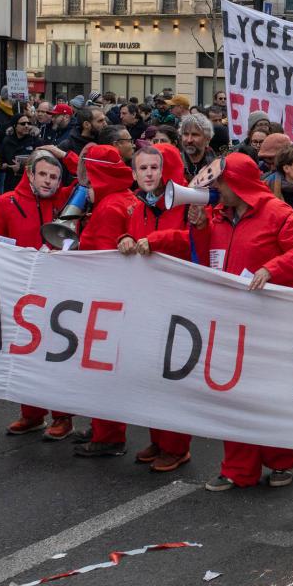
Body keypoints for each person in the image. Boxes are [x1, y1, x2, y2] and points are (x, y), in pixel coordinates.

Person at [133, 153, 293, 487]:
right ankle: (238, 468)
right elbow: (205, 256)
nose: (215, 188)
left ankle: (280, 460)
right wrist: (199, 229)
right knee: (233, 397)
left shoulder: (278, 214)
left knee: (270, 397)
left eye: (220, 181)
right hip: (230, 320)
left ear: (238, 183)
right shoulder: (217, 216)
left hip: (271, 321)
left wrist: (271, 269)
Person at [0, 148, 78, 441]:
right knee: (23, 353)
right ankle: (32, 414)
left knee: (57, 355)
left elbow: (88, 175)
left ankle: (63, 417)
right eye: (42, 174)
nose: (48, 181)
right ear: (30, 175)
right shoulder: (6, 202)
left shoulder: (67, 200)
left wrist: (64, 154)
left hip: (59, 290)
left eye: (54, 176)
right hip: (21, 290)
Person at [117, 144, 194, 472]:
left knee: (172, 376)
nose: (148, 174)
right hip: (148, 298)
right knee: (150, 374)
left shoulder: (187, 202)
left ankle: (176, 446)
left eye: (154, 167)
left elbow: (195, 240)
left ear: (166, 170)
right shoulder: (139, 205)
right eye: (143, 168)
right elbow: (135, 235)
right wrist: (124, 237)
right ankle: (159, 438)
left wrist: (158, 241)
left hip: (178, 298)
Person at [71, 145, 140, 458]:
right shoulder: (124, 198)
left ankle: (108, 435)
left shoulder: (110, 207)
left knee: (101, 370)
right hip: (118, 299)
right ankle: (102, 426)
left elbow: (101, 260)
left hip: (104, 301)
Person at [0, 114, 41, 193]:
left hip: (29, 183)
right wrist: (3, 165)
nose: (26, 126)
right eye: (23, 124)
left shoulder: (34, 140)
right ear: (15, 126)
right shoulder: (7, 141)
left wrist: (20, 168)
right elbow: (1, 159)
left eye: (28, 123)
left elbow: (40, 162)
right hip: (11, 183)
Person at [179, 112, 216, 181]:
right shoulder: (175, 163)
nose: (189, 140)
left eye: (195, 135)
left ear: (207, 139)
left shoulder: (216, 167)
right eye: (186, 134)